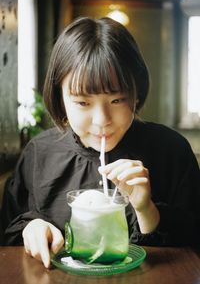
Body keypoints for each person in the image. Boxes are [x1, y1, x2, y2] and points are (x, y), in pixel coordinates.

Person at [1, 16, 200, 268]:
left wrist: (146, 209)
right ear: (59, 96)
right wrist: (32, 228)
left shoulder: (172, 151)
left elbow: (191, 246)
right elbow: (10, 228)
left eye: (117, 100)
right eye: (83, 103)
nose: (101, 120)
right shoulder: (39, 152)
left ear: (136, 93)